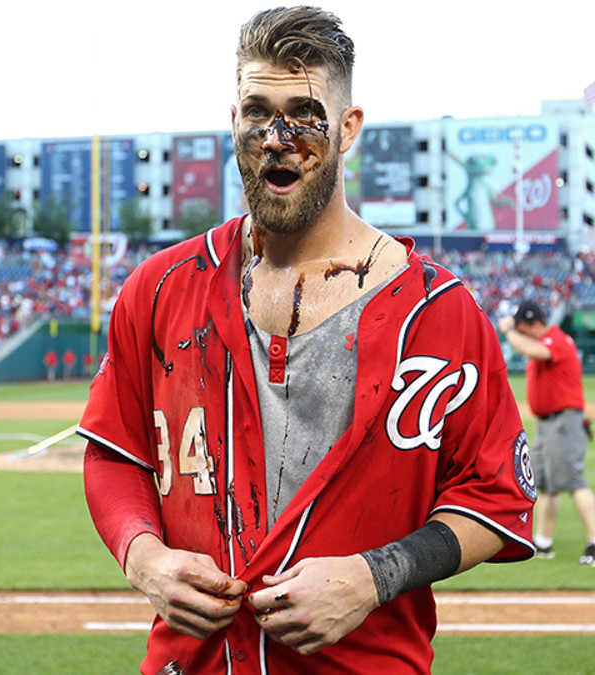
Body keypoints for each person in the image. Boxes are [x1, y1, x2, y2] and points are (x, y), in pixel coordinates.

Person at [77, 8, 536, 675]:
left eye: (304, 112)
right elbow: (114, 451)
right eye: (258, 111)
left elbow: (496, 498)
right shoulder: (160, 287)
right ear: (233, 118)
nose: (277, 137)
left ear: (348, 128)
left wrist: (372, 576)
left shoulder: (440, 312)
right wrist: (143, 555)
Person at [499, 301, 595, 566]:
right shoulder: (550, 340)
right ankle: (543, 542)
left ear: (533, 325)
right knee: (547, 486)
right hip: (548, 423)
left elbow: (533, 349)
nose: (521, 334)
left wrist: (509, 331)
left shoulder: (556, 340)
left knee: (574, 482)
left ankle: (594, 543)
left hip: (563, 421)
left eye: (523, 328)